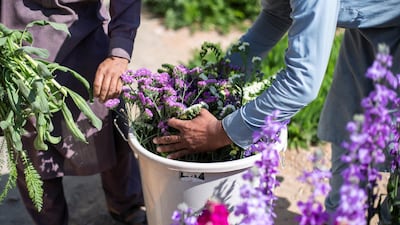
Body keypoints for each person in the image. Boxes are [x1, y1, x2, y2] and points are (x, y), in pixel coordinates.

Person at [153, 0, 400, 223]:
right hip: (371, 27)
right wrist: (210, 84)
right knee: (350, 131)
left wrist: (220, 132)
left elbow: (301, 83)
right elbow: (277, 15)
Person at [0, 0, 146, 225]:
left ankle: (126, 205)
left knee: (106, 128)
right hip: (15, 47)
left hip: (84, 39)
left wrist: (119, 52)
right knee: (32, 150)